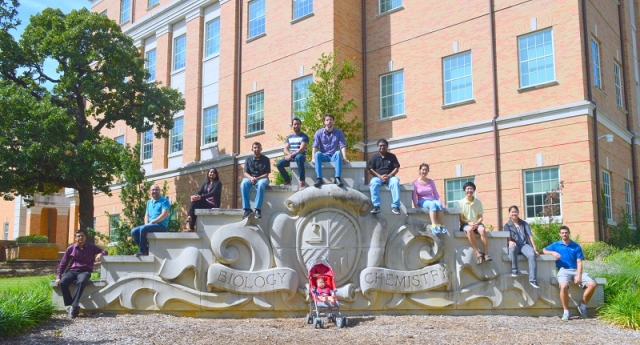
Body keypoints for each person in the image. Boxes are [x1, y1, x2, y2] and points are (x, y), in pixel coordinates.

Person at [543, 225, 597, 320]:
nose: (564, 234)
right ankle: (566, 312)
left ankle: (583, 306)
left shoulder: (576, 246)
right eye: (562, 233)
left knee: (592, 284)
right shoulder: (556, 245)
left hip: (576, 270)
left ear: (569, 233)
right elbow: (543, 250)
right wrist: (552, 253)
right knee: (563, 286)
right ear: (560, 234)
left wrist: (579, 275)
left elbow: (579, 262)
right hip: (563, 270)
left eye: (566, 232)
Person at [55, 229, 107, 318]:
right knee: (63, 283)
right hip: (72, 271)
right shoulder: (71, 248)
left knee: (82, 281)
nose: (80, 238)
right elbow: (63, 263)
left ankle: (74, 306)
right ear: (75, 238)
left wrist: (100, 254)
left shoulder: (91, 247)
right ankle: (70, 306)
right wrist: (58, 276)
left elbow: (104, 251)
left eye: (82, 236)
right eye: (78, 236)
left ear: (85, 237)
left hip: (85, 271)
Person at [504, 205, 539, 288]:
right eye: (512, 212)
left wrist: (535, 249)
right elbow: (507, 236)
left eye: (515, 212)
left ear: (518, 213)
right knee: (512, 249)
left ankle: (533, 280)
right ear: (509, 214)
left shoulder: (524, 223)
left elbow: (530, 236)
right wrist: (510, 241)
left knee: (531, 255)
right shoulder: (507, 225)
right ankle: (514, 270)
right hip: (515, 245)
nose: (514, 213)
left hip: (524, 245)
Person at [131, 184, 170, 256]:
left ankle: (142, 252)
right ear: (150, 192)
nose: (154, 191)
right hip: (150, 225)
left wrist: (154, 221)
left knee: (143, 228)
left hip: (161, 225)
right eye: (153, 190)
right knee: (133, 231)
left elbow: (164, 215)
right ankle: (145, 250)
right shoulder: (149, 202)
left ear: (159, 191)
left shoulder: (164, 201)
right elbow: (146, 215)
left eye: (156, 189)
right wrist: (146, 223)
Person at [312, 113, 349, 188]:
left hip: (333, 156)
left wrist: (345, 157)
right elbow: (315, 146)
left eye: (331, 120)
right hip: (323, 156)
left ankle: (337, 178)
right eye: (327, 120)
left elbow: (342, 146)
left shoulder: (339, 133)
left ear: (333, 121)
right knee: (317, 154)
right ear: (324, 122)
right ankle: (319, 179)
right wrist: (313, 158)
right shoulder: (319, 133)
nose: (329, 121)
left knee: (338, 153)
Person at [458, 181, 490, 264]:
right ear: (464, 191)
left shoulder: (478, 202)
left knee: (482, 230)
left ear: (474, 190)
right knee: (469, 230)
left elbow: (481, 217)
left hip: (477, 223)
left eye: (471, 188)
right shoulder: (460, 203)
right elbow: (460, 219)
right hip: (466, 224)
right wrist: (469, 223)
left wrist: (476, 223)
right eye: (467, 189)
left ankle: (486, 254)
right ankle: (478, 253)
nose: (469, 190)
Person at [368, 138, 401, 215]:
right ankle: (376, 206)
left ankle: (396, 206)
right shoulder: (374, 157)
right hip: (378, 177)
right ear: (377, 147)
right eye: (380, 146)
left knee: (395, 181)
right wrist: (380, 176)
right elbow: (370, 169)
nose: (382, 147)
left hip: (390, 177)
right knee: (373, 183)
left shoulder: (392, 156)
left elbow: (396, 168)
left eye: (384, 145)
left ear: (387, 147)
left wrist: (389, 176)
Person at [412, 163, 447, 234]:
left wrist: (441, 202)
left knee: (438, 205)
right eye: (423, 170)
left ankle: (442, 226)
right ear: (420, 170)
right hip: (422, 200)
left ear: (428, 171)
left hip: (432, 199)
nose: (424, 172)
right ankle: (434, 226)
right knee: (432, 205)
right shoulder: (415, 183)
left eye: (426, 170)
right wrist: (415, 204)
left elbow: (435, 193)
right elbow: (414, 195)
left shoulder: (431, 181)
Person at [185, 167, 222, 232]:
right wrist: (194, 196)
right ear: (208, 173)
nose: (212, 173)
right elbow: (199, 192)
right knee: (195, 201)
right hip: (205, 202)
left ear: (216, 175)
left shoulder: (218, 183)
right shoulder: (205, 184)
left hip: (212, 204)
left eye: (214, 172)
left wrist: (201, 197)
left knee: (196, 201)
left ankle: (190, 218)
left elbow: (213, 193)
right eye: (211, 172)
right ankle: (191, 223)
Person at [276, 117, 309, 189]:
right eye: (294, 124)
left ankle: (302, 181)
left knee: (299, 156)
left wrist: (291, 155)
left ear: (300, 125)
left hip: (300, 156)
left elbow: (301, 149)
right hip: (292, 157)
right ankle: (287, 181)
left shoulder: (304, 136)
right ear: (292, 126)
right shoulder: (289, 137)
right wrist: (289, 155)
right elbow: (285, 149)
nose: (296, 126)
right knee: (279, 164)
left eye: (298, 124)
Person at [241, 141, 270, 219]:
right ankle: (247, 209)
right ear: (252, 149)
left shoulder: (266, 159)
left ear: (261, 149)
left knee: (261, 184)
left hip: (262, 178)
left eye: (258, 148)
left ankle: (257, 209)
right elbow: (245, 172)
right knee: (243, 183)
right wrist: (251, 178)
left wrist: (257, 178)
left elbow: (266, 174)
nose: (256, 149)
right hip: (250, 178)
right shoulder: (248, 159)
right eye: (255, 148)